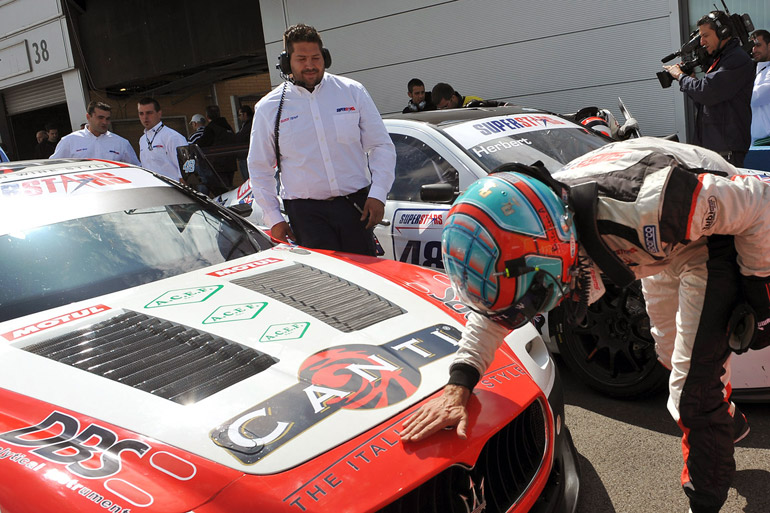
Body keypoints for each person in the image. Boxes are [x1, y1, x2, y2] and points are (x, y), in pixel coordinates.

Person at [400, 137, 770, 513]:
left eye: (535, 294)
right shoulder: (538, 225)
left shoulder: (650, 204)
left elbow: (761, 200)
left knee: (693, 392)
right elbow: (493, 313)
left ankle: (705, 498)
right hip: (667, 240)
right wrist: (460, 382)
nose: (532, 308)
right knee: (669, 353)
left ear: (560, 245)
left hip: (716, 231)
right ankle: (726, 423)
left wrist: (759, 285)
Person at [248, 23, 395, 255]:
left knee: (367, 280)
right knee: (327, 285)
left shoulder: (352, 91)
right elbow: (259, 168)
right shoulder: (269, 109)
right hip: (306, 215)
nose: (310, 65)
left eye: (316, 57)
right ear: (287, 63)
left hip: (355, 208)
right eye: (301, 59)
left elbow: (381, 146)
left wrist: (378, 194)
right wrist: (274, 217)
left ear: (325, 57)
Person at [663, 11, 754, 166]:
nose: (702, 42)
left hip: (726, 154)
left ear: (723, 32)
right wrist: (691, 80)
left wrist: (680, 76)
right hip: (714, 151)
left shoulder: (736, 59)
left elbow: (707, 92)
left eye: (705, 35)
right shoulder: (721, 60)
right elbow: (706, 101)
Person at [51, 102, 139, 165]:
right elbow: (53, 166)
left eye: (107, 118)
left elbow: (136, 169)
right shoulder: (69, 141)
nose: (105, 122)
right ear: (88, 117)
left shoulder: (121, 143)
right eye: (100, 118)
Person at [137, 98, 188, 182]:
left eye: (149, 113)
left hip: (173, 191)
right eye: (141, 113)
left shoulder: (173, 137)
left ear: (159, 113)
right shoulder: (142, 140)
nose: (145, 117)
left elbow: (186, 170)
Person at [750, 29, 770, 145]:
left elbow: (756, 97)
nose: (754, 50)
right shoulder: (759, 71)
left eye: (758, 45)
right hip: (757, 142)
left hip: (767, 141)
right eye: (753, 46)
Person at [431, 82, 507, 109]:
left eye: (445, 106)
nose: (443, 111)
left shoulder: (475, 102)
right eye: (439, 109)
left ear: (453, 98)